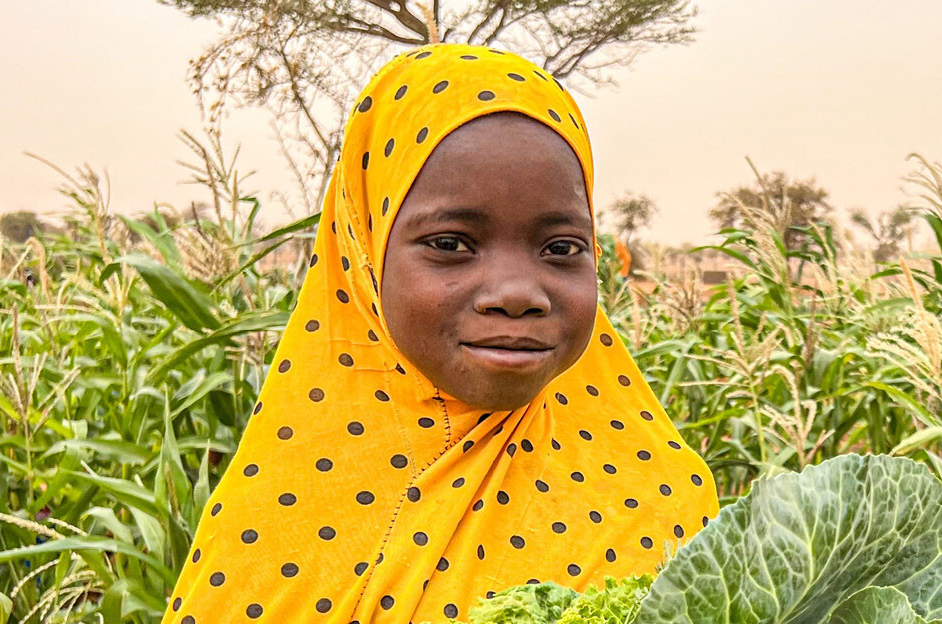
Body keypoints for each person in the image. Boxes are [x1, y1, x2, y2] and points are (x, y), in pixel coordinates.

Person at [162, 42, 718, 624]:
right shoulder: (282, 520)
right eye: (451, 244)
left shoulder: (663, 498)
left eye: (561, 248)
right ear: (365, 253)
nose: (517, 293)